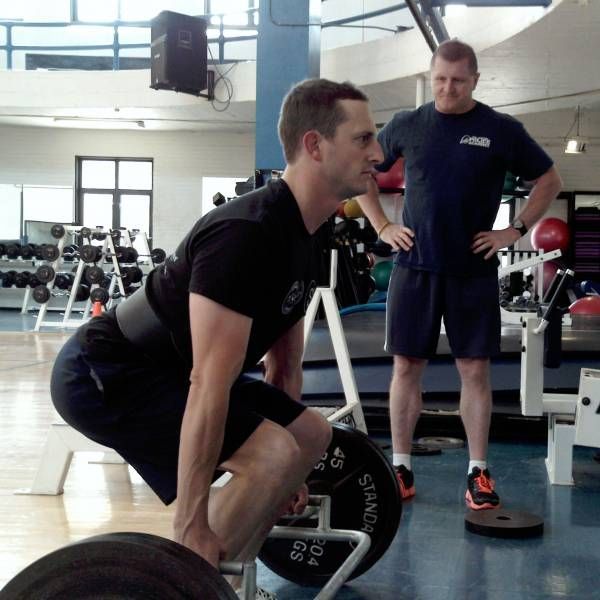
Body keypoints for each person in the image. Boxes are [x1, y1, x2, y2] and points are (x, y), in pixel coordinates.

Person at [50, 78, 384, 598]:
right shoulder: (246, 235)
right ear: (315, 145)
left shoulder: (309, 234)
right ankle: (180, 579)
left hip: (172, 372)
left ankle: (218, 585)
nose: (379, 153)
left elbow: (284, 369)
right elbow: (209, 383)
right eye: (364, 139)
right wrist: (191, 521)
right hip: (107, 370)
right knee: (269, 455)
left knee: (311, 436)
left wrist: (293, 471)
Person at [358, 39, 562, 510]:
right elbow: (364, 172)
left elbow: (550, 180)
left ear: (474, 79)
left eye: (458, 80)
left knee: (474, 370)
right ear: (432, 77)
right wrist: (384, 225)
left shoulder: (499, 128)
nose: (448, 89)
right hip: (415, 267)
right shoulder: (409, 124)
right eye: (440, 80)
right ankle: (401, 467)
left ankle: (477, 473)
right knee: (407, 367)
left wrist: (513, 230)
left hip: (473, 269)